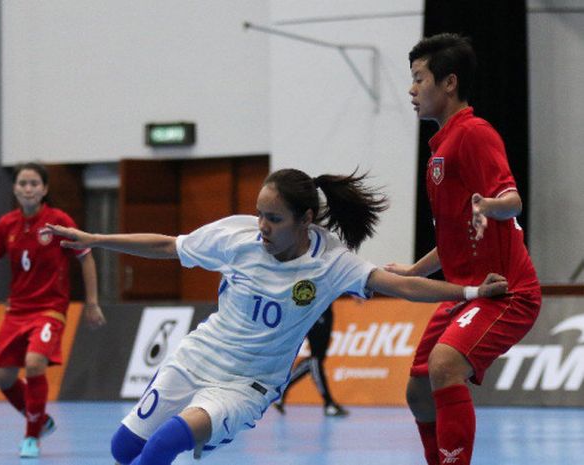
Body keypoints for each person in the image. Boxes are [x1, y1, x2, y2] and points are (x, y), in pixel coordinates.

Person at [46, 167, 507, 465]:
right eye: (259, 215)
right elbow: (169, 246)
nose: (262, 227)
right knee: (123, 450)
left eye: (274, 219)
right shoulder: (236, 237)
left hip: (249, 385)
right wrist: (95, 237)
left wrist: (467, 291)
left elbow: (402, 284)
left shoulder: (332, 263)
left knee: (165, 446)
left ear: (305, 219)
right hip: (197, 358)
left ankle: (205, 431)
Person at [384, 33, 542, 465]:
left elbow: (513, 200)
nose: (412, 90)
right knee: (418, 390)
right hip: (467, 293)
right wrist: (415, 270)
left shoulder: (474, 133)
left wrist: (488, 205)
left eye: (420, 79)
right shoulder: (441, 146)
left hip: (506, 293)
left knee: (444, 365)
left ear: (449, 83)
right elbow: (452, 238)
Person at [0, 162, 106, 458]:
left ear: (44, 189)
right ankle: (41, 419)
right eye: (23, 183)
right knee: (3, 378)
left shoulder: (58, 221)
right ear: (14, 189)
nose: (28, 188)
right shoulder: (6, 225)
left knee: (35, 363)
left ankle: (31, 437)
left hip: (50, 309)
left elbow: (85, 257)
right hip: (17, 311)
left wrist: (91, 303)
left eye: (34, 183)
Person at [272, 306, 348, 417]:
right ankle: (329, 403)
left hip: (325, 307)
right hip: (314, 308)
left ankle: (282, 389)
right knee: (316, 359)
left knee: (317, 359)